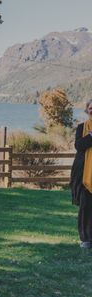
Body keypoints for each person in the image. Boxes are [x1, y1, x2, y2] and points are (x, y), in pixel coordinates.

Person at [70, 98, 92, 249]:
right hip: (85, 175)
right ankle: (86, 239)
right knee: (85, 207)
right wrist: (91, 136)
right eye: (91, 108)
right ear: (87, 110)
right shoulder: (81, 127)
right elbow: (78, 146)